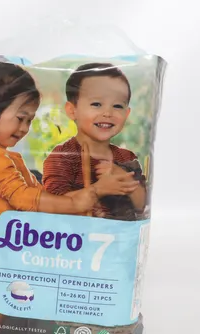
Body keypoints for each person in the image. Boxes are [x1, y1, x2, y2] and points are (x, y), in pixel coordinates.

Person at [0, 61, 139, 334]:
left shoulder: (9, 157)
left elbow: (40, 202)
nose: (25, 128)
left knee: (5, 327)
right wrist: (89, 195)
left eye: (30, 120)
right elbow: (26, 199)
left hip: (15, 258)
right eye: (20, 117)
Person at [43, 63, 147, 221]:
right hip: (78, 234)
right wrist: (98, 190)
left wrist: (123, 176)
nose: (107, 113)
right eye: (96, 104)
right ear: (72, 110)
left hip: (120, 233)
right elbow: (52, 205)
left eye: (117, 106)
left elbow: (142, 205)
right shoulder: (63, 157)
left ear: (127, 114)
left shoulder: (126, 157)